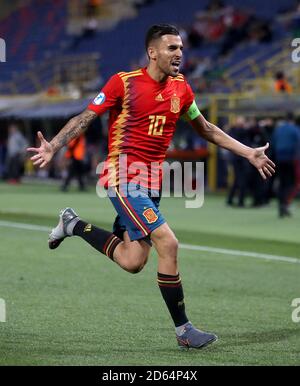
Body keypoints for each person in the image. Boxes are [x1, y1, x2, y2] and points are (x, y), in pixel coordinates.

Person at [27, 24, 275, 350]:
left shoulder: (182, 89)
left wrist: (248, 152)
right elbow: (86, 117)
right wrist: (54, 145)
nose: (179, 54)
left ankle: (72, 224)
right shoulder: (124, 82)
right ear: (152, 52)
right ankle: (184, 330)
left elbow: (206, 129)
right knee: (168, 244)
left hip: (152, 183)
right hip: (122, 177)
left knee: (133, 261)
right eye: (172, 48)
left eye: (182, 48)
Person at [272, 113, 300, 217]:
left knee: (282, 183)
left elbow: (273, 143)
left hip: (279, 158)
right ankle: (285, 204)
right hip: (291, 159)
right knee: (290, 183)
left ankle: (281, 205)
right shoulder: (295, 129)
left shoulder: (278, 129)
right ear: (292, 120)